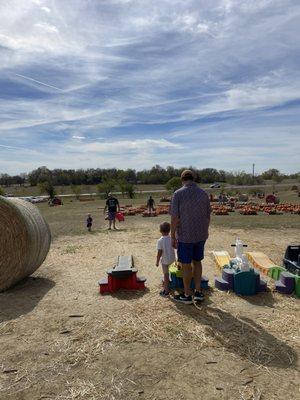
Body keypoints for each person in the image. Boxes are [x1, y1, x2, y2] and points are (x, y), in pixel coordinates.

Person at [170, 170, 211, 304]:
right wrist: (205, 230)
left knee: (186, 265)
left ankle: (187, 294)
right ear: (193, 179)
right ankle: (198, 292)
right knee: (197, 262)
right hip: (200, 234)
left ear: (182, 179)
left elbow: (175, 218)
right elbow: (208, 215)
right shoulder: (203, 193)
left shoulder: (178, 194)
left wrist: (172, 236)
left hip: (185, 236)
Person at [156, 222, 176, 297]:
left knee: (166, 275)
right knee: (170, 272)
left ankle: (166, 291)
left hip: (165, 261)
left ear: (160, 231)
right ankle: (170, 286)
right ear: (169, 230)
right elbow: (174, 247)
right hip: (172, 259)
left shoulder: (160, 241)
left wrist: (157, 261)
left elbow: (159, 253)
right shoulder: (171, 239)